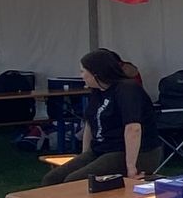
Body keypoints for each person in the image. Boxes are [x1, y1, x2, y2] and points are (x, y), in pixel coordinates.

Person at [42, 48, 153, 185]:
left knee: (74, 182)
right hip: (101, 149)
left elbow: (133, 128)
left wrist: (131, 167)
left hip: (133, 151)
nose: (81, 76)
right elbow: (90, 124)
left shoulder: (127, 89)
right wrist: (84, 155)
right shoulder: (98, 91)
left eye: (83, 71)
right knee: (52, 179)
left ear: (96, 74)